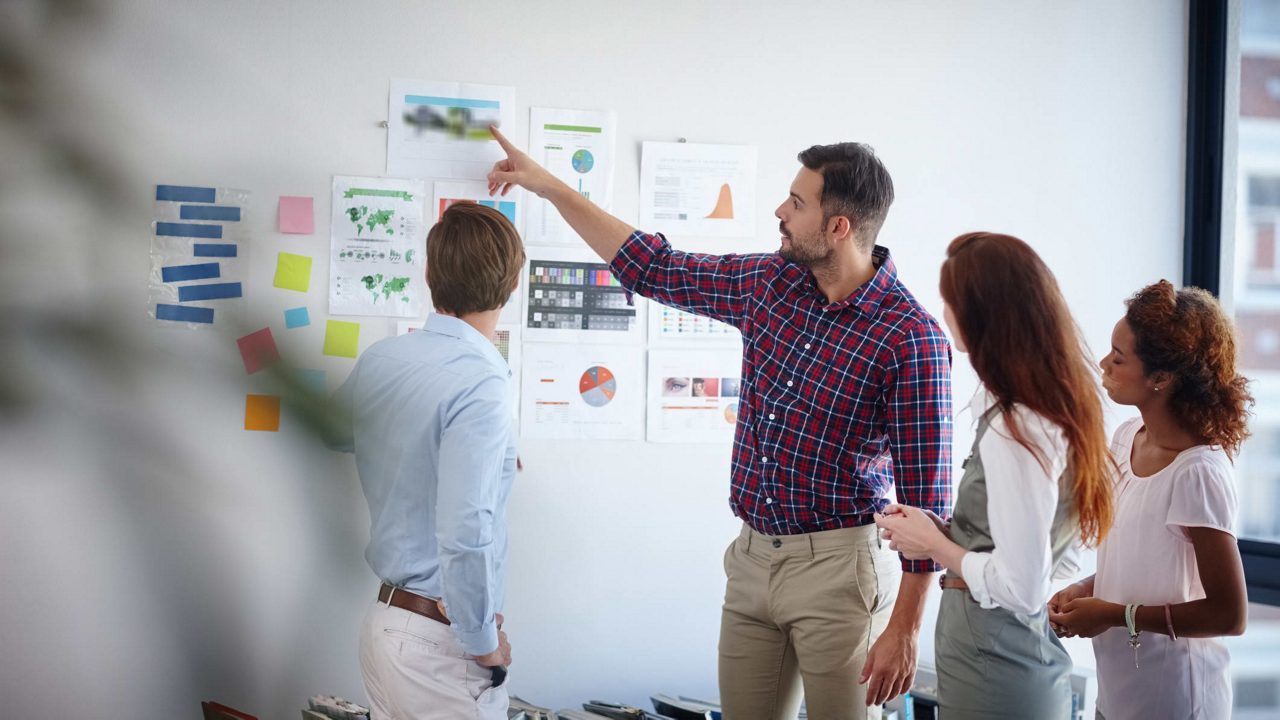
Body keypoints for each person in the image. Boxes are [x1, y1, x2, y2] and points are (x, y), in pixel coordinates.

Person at [487, 127, 953, 719]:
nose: (780, 212)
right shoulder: (769, 284)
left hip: (843, 572)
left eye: (798, 203)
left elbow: (929, 504)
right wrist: (549, 186)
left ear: (840, 227)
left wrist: (906, 629)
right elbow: (652, 267)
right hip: (753, 558)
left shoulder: (909, 338)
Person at [874, 233, 1113, 719]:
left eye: (950, 302)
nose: (943, 313)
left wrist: (935, 546)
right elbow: (1045, 553)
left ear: (983, 316)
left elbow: (1023, 588)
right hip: (1001, 657)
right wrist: (944, 533)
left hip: (994, 664)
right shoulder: (1054, 409)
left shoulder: (1016, 427)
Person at [327, 202, 525, 719]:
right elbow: (465, 527)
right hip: (440, 646)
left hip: (386, 626)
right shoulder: (483, 380)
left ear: (430, 276)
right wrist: (483, 642)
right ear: (513, 284)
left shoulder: (384, 358)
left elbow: (330, 432)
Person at [1048, 280, 1250, 719]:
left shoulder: (1198, 473)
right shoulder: (1126, 439)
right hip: (1119, 695)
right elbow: (1140, 559)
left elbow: (1229, 615)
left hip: (1176, 702)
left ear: (1161, 378)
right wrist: (1086, 591)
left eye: (1118, 359)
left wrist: (1115, 615)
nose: (1104, 364)